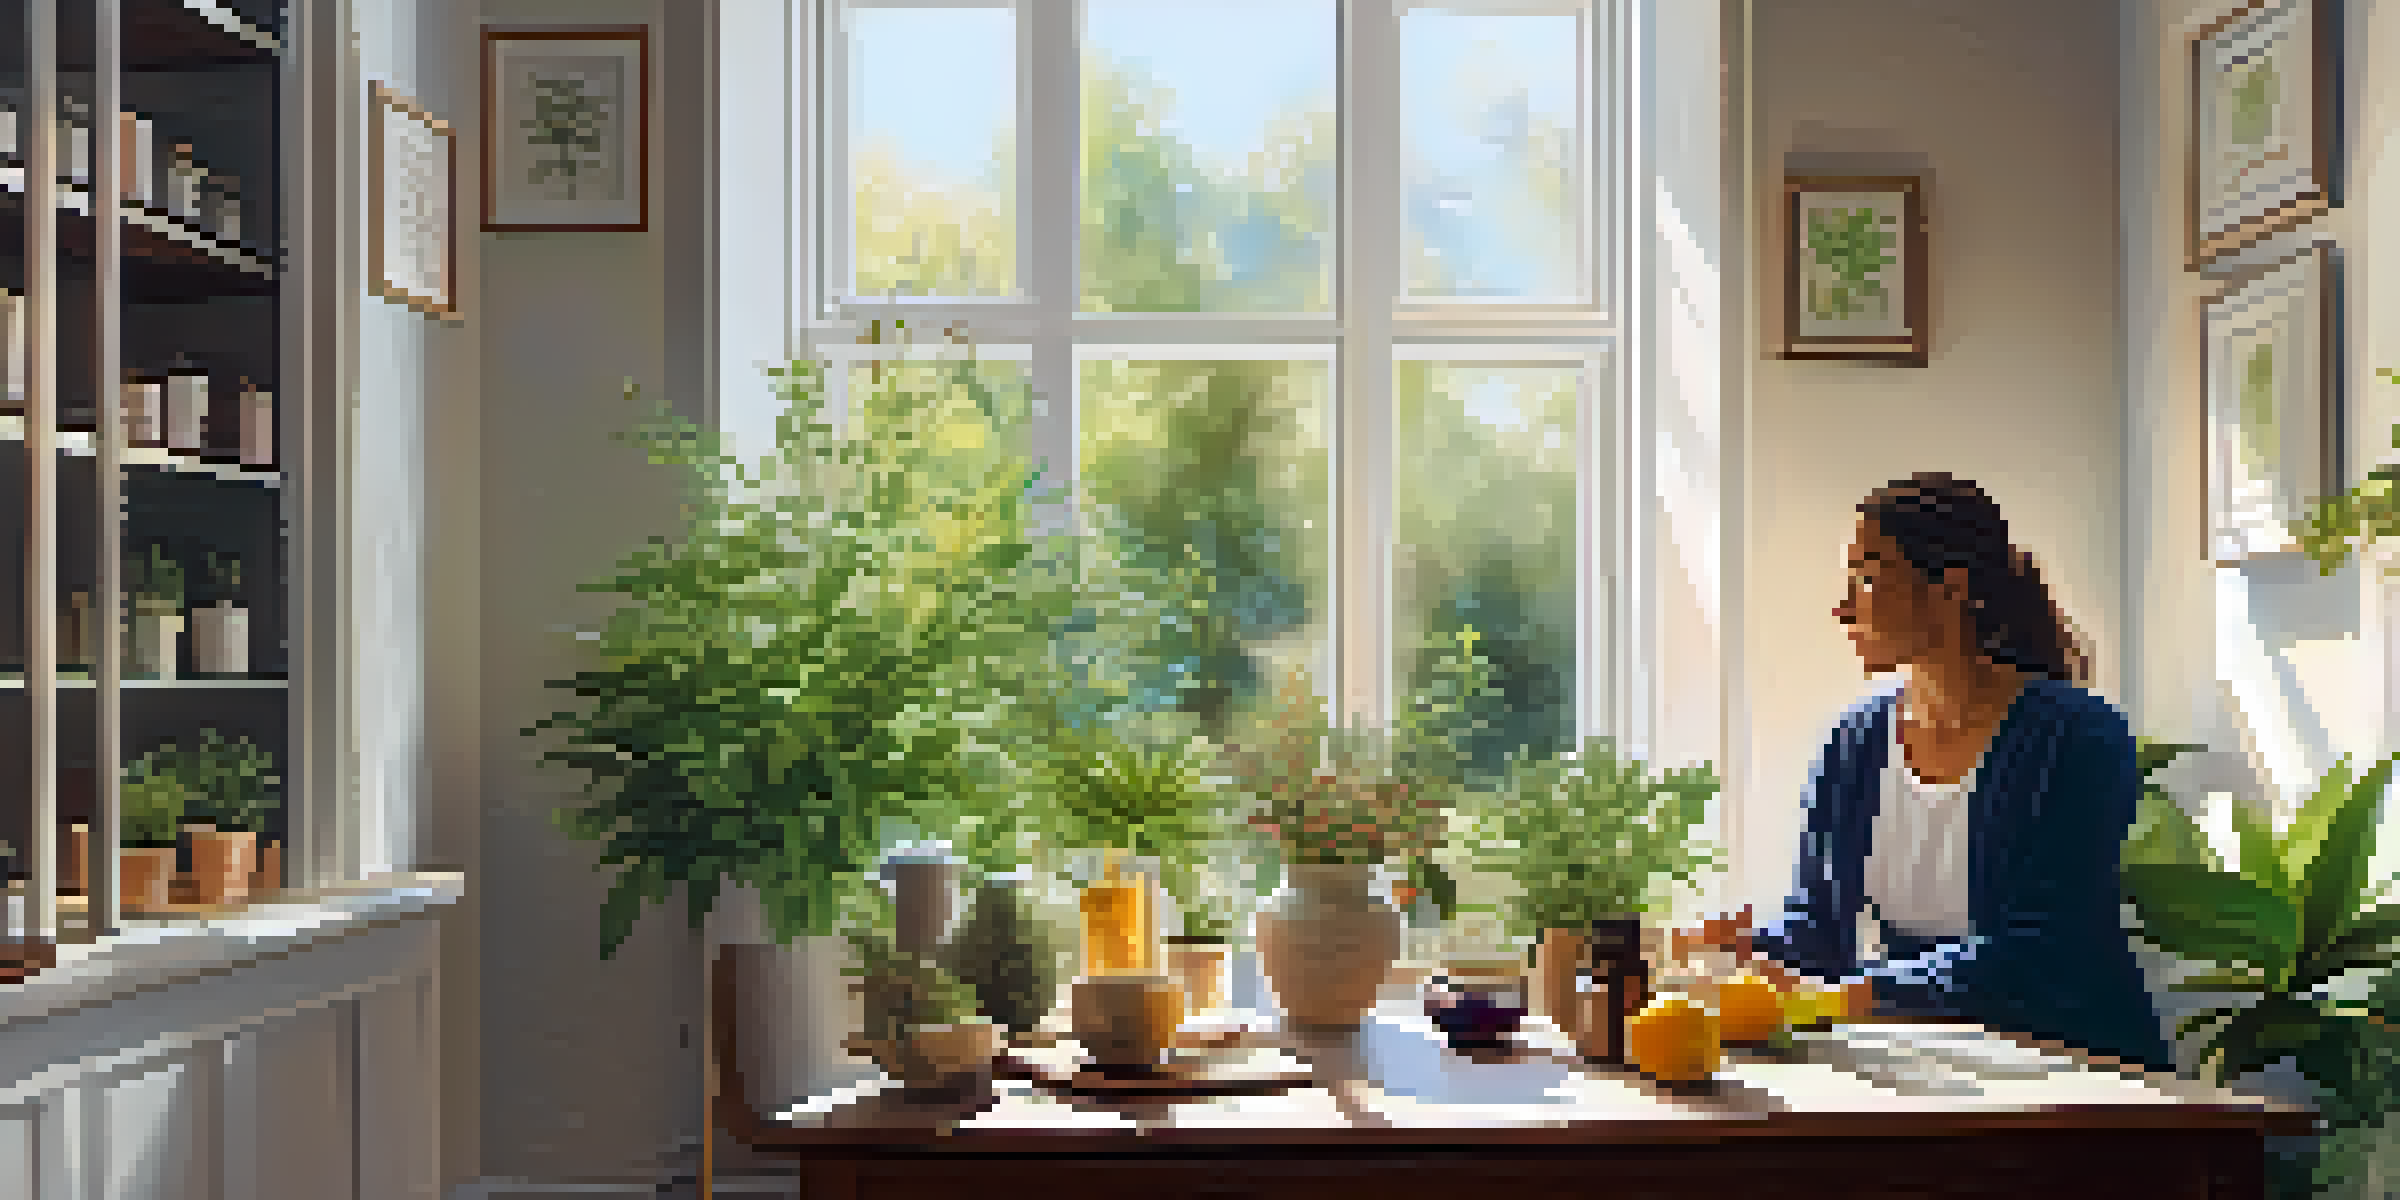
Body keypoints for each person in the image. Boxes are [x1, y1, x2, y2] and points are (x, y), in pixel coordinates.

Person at [1689, 472, 2171, 1068]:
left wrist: (1851, 996)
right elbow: (1818, 927)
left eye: (1867, 578)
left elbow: (2044, 952)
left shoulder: (2078, 736)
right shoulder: (1855, 741)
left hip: (2089, 1072)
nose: (1843, 608)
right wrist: (1742, 946)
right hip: (1938, 1066)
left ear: (1952, 588)